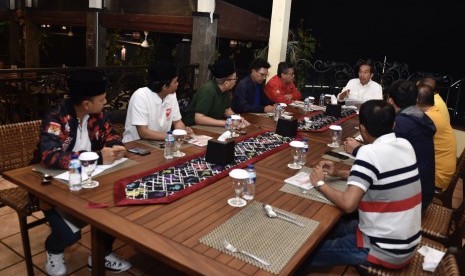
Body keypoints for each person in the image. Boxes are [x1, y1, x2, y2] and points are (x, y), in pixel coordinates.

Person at [296, 100, 422, 273]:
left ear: (362, 129)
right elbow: (377, 176)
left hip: (384, 249)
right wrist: (338, 173)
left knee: (303, 255)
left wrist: (319, 183)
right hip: (407, 243)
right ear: (393, 124)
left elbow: (348, 204)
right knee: (331, 228)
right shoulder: (405, 145)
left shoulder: (368, 153)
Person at [38, 70, 131, 276]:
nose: (106, 102)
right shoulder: (56, 118)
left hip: (92, 179)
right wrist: (98, 156)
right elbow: (50, 156)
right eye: (102, 98)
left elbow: (112, 134)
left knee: (117, 211)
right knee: (70, 235)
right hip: (54, 184)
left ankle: (102, 254)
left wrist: (116, 147)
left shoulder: (98, 115)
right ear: (86, 104)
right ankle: (53, 249)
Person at [345, 80, 436, 210]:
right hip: (423, 190)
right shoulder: (419, 116)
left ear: (391, 101)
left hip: (410, 200)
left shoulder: (401, 123)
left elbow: (379, 159)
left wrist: (357, 149)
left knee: (352, 199)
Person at [123, 62, 193, 143]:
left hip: (161, 143)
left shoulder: (171, 95)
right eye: (175, 82)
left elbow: (177, 122)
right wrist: (172, 136)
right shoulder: (140, 96)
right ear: (164, 86)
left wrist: (183, 132)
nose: (178, 84)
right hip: (136, 145)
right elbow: (143, 133)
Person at [417, 84, 457, 191]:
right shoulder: (435, 112)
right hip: (441, 173)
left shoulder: (428, 119)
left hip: (437, 177)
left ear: (416, 100)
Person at [183, 60, 239, 127]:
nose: (235, 81)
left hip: (211, 125)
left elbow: (226, 110)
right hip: (194, 127)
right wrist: (226, 123)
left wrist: (237, 118)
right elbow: (199, 118)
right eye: (235, 79)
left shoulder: (226, 90)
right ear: (226, 83)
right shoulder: (208, 90)